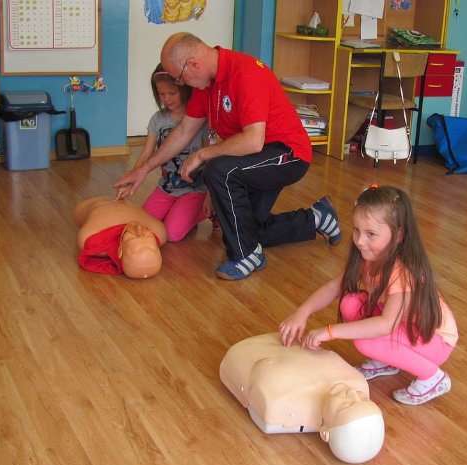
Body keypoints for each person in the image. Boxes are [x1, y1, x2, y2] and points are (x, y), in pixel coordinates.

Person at [113, 32, 342, 281]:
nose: (182, 84)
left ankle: (246, 255)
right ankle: (317, 218)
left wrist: (202, 154)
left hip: (288, 154)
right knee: (246, 230)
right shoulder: (206, 84)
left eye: (179, 78)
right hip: (256, 156)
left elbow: (253, 140)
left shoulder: (246, 74)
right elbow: (184, 131)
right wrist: (143, 169)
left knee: (219, 170)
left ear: (193, 64)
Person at [279, 185, 458, 405]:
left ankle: (433, 378)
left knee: (366, 341)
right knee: (351, 303)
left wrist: (330, 332)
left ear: (398, 235)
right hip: (406, 325)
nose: (360, 241)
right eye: (356, 230)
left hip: (436, 341)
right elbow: (334, 287)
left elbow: (385, 325)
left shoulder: (402, 272)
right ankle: (387, 359)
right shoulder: (370, 257)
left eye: (370, 234)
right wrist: (302, 312)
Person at [220, 332, 384, 463]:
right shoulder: (358, 382)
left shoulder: (280, 401)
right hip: (288, 340)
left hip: (246, 349)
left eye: (346, 405)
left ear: (324, 432)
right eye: (364, 399)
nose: (352, 393)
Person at [131, 63, 212, 242]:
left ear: (185, 88)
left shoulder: (202, 120)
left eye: (172, 93)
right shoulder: (157, 120)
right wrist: (131, 179)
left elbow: (210, 161)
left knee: (171, 234)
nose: (166, 99)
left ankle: (202, 213)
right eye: (161, 94)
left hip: (195, 190)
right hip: (166, 188)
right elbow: (146, 153)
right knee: (141, 224)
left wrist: (210, 195)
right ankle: (182, 213)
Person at [74, 196, 168, 278]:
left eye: (133, 237)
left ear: (120, 251)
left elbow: (81, 213)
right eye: (148, 235)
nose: (138, 228)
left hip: (93, 202)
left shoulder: (91, 238)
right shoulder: (159, 231)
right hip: (126, 199)